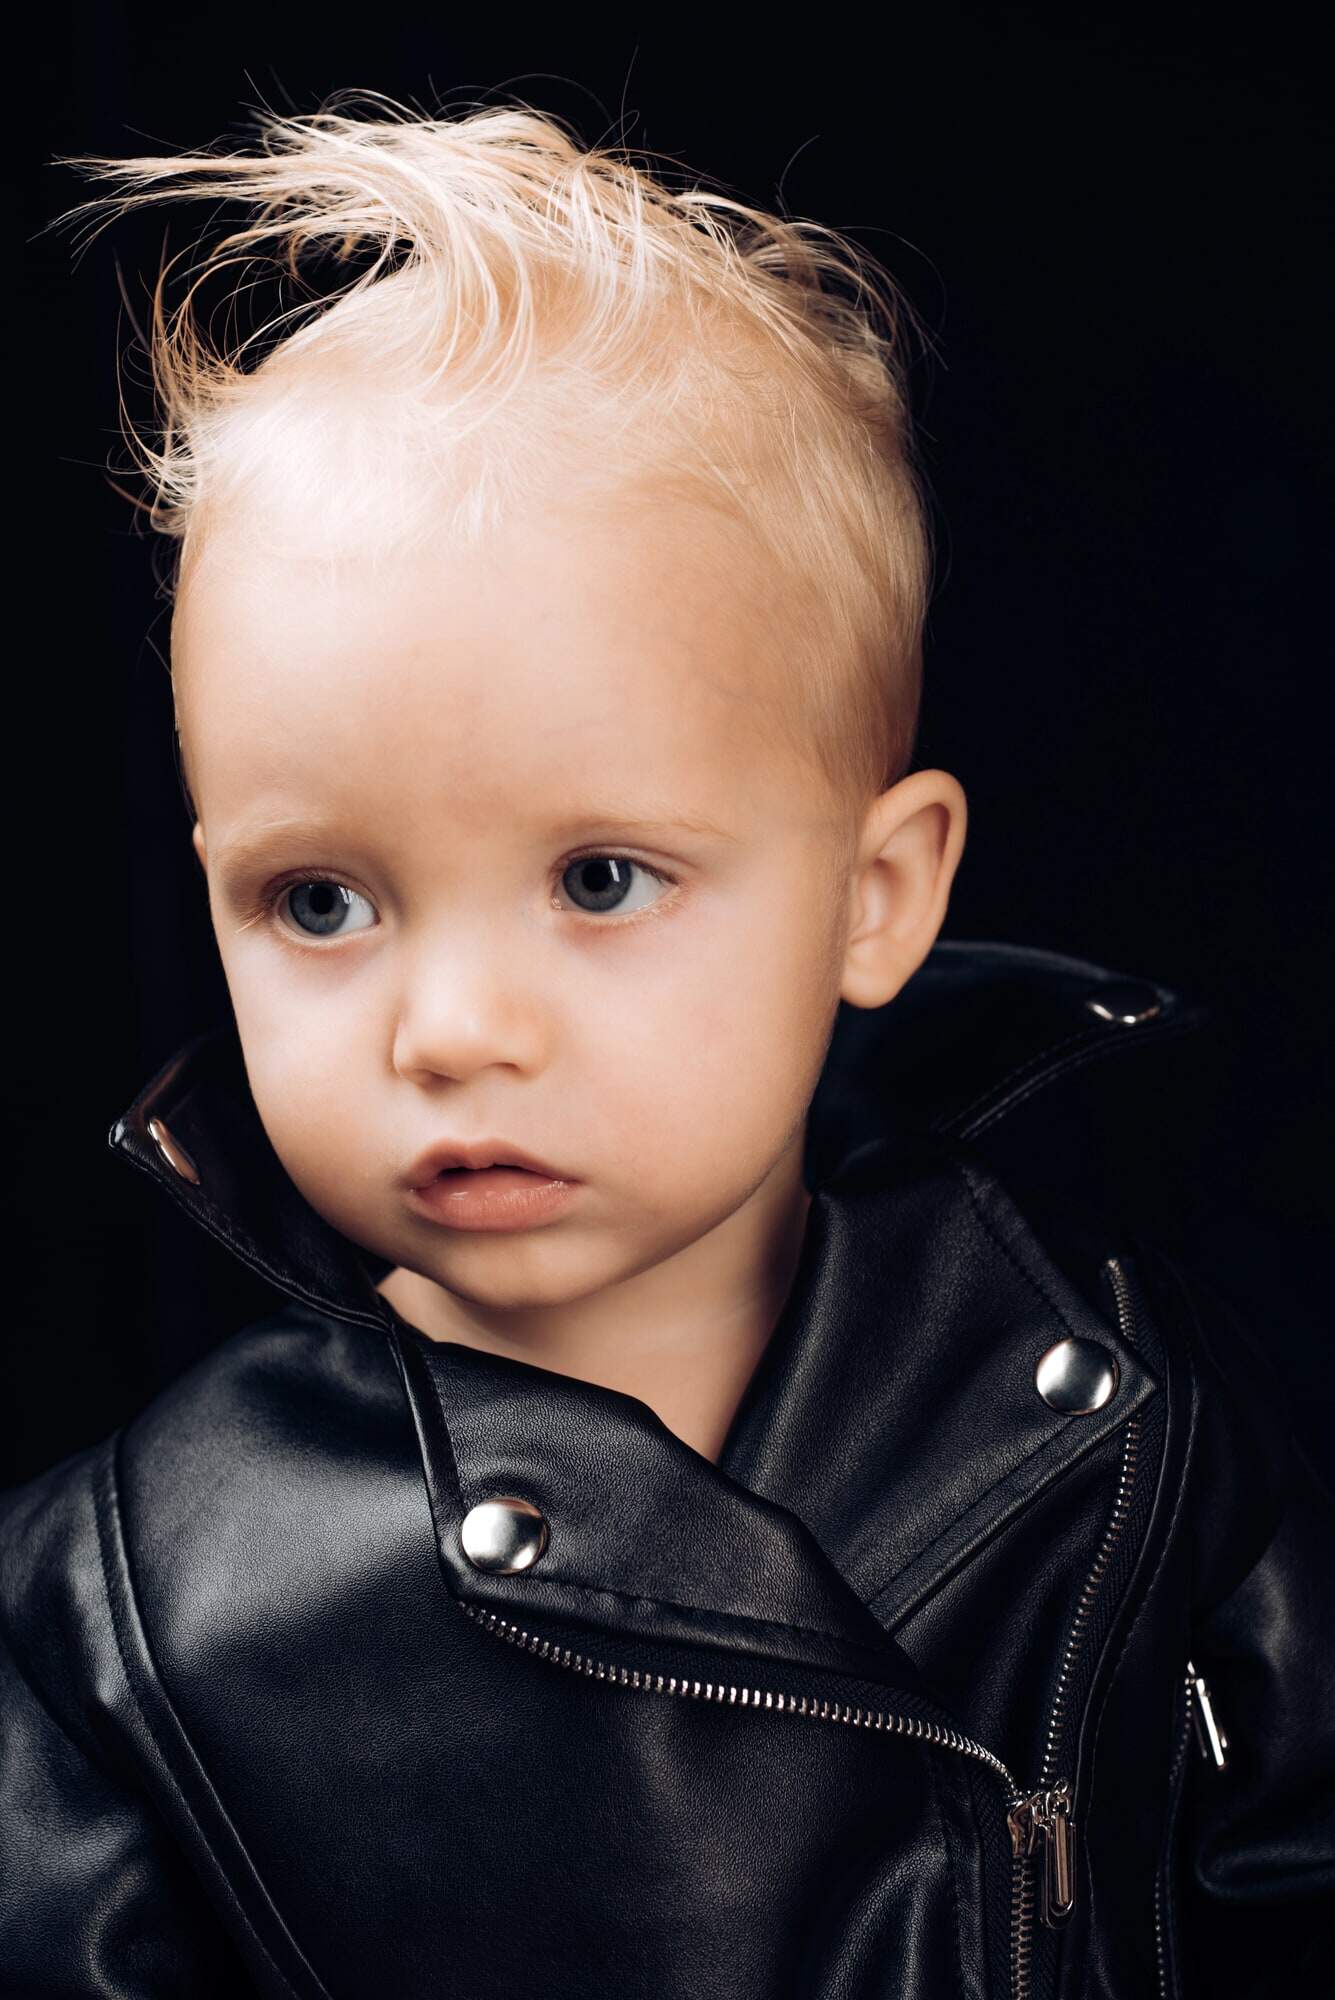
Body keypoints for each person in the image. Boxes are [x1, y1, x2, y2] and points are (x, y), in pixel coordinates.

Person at [2, 95, 1331, 1999]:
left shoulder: (1127, 1410)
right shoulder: (119, 1620)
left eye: (604, 878)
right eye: (319, 903)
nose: (452, 1030)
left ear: (878, 896)